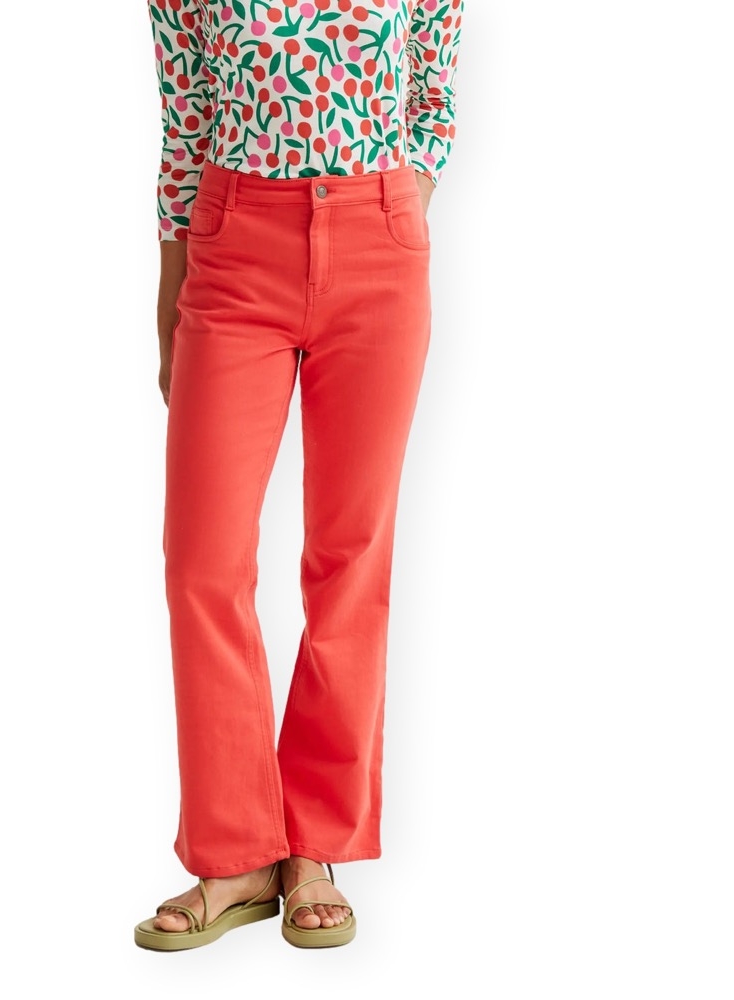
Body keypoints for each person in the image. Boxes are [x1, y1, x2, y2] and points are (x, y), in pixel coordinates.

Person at [135, 0, 463, 952]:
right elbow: (187, 114)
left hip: (377, 240)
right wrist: (171, 292)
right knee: (202, 561)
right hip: (234, 246)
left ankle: (315, 847)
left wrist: (392, 212)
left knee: (349, 557)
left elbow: (433, 97)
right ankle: (236, 851)